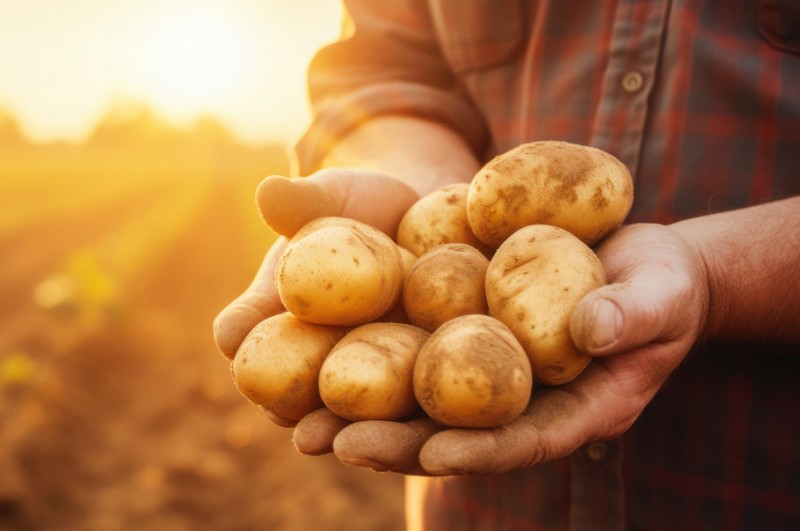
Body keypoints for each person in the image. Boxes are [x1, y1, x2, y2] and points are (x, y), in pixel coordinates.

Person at [214, 1, 800, 529]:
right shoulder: (468, 238)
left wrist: (717, 275)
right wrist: (416, 177)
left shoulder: (534, 252)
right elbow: (382, 70)